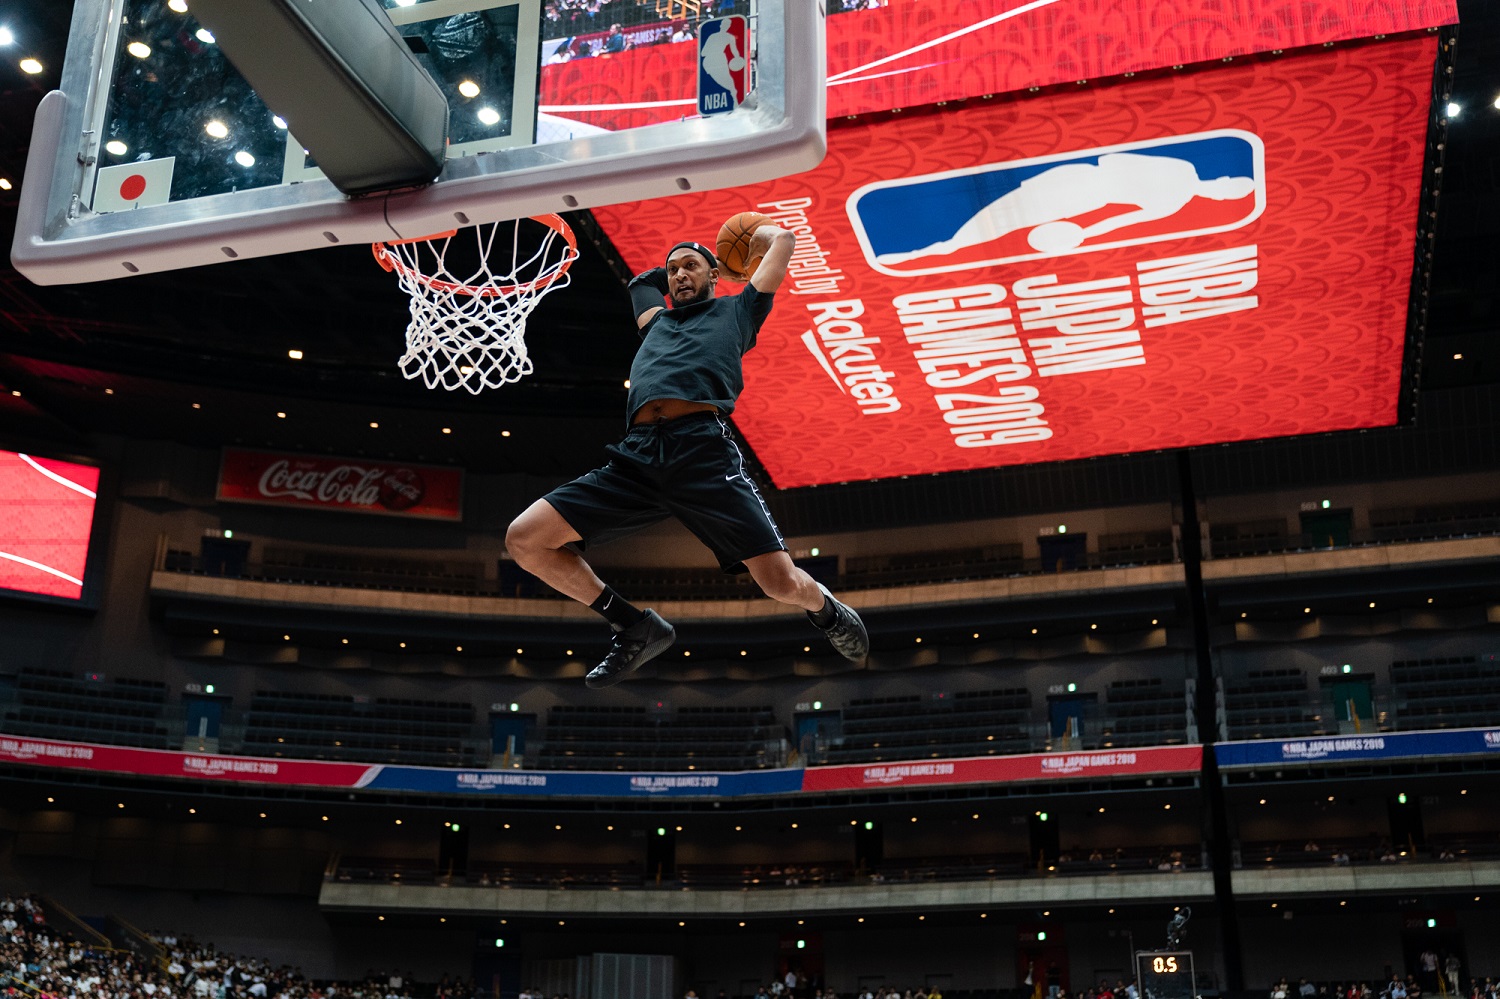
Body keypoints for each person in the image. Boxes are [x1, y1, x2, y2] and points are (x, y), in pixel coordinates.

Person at [506, 227, 870, 686]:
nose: (678, 275)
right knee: (524, 539)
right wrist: (682, 260)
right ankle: (633, 625)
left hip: (702, 453)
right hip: (637, 455)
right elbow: (641, 283)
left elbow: (785, 243)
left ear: (716, 275)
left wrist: (743, 244)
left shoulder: (738, 310)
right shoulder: (655, 322)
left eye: (689, 268)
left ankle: (826, 610)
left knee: (778, 584)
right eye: (673, 269)